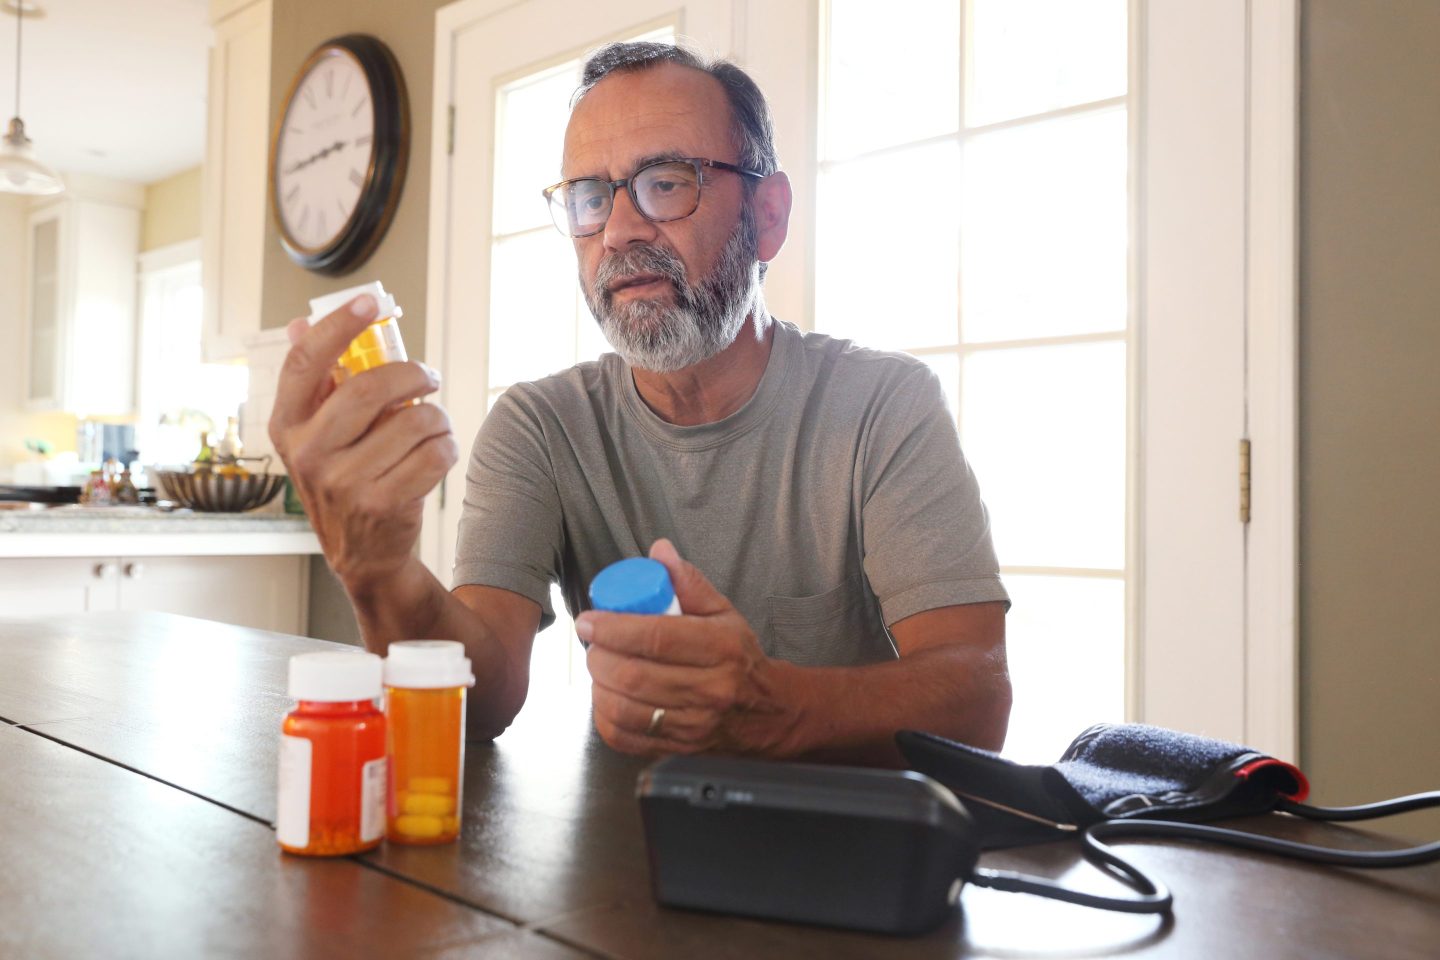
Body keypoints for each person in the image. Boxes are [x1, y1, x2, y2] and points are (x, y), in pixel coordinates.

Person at [270, 42, 1010, 766]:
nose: (619, 231)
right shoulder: (540, 428)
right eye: (590, 198)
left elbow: (976, 697)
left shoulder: (882, 404)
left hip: (855, 860)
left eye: (667, 181)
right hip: (622, 863)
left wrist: (769, 706)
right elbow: (481, 701)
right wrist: (379, 572)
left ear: (769, 215)